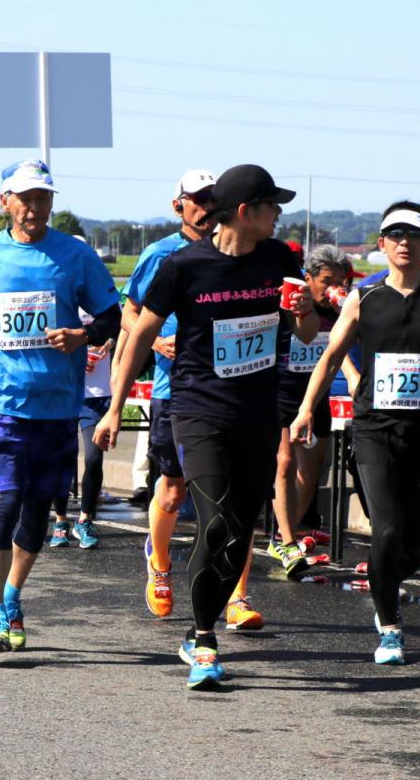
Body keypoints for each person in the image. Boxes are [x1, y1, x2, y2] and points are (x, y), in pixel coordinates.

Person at [98, 164, 316, 689]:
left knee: (240, 530)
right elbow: (141, 335)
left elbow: (305, 332)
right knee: (215, 519)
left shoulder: (279, 260)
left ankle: (206, 624)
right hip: (198, 410)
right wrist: (114, 407)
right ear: (244, 212)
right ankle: (202, 638)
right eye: (271, 206)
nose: (279, 215)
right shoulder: (183, 265)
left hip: (257, 413)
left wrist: (307, 310)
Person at [291, 201, 420, 666]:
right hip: (374, 429)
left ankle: (386, 581)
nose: (403, 242)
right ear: (381, 245)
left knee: (415, 545)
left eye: (413, 235)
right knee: (387, 528)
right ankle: (390, 626)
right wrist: (305, 411)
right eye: (394, 235)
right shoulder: (364, 296)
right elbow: (331, 356)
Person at [0, 158, 120, 654]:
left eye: (43, 197)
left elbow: (111, 315)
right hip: (0, 400)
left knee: (39, 512)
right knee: (4, 502)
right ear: (5, 201)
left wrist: (82, 335)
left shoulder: (74, 255)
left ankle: (14, 595)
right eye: (25, 198)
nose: (34, 207)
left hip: (58, 403)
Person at [123, 169, 268, 627]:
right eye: (195, 200)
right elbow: (131, 315)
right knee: (171, 491)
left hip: (240, 400)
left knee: (234, 508)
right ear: (178, 205)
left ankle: (237, 598)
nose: (204, 207)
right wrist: (158, 343)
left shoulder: (255, 256)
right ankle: (160, 563)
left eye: (211, 199)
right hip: (178, 392)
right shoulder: (163, 255)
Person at [271, 245, 348, 574]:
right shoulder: (290, 305)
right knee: (285, 463)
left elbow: (340, 353)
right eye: (327, 280)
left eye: (341, 280)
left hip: (316, 398)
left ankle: (282, 533)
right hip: (281, 393)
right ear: (308, 279)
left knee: (312, 469)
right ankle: (287, 542)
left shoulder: (343, 310)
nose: (334, 287)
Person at [49, 307, 113, 549]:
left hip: (97, 397)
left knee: (94, 458)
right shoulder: (63, 294)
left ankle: (85, 520)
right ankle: (60, 520)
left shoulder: (104, 299)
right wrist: (76, 356)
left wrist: (109, 343)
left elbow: (122, 328)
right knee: (62, 460)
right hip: (63, 392)